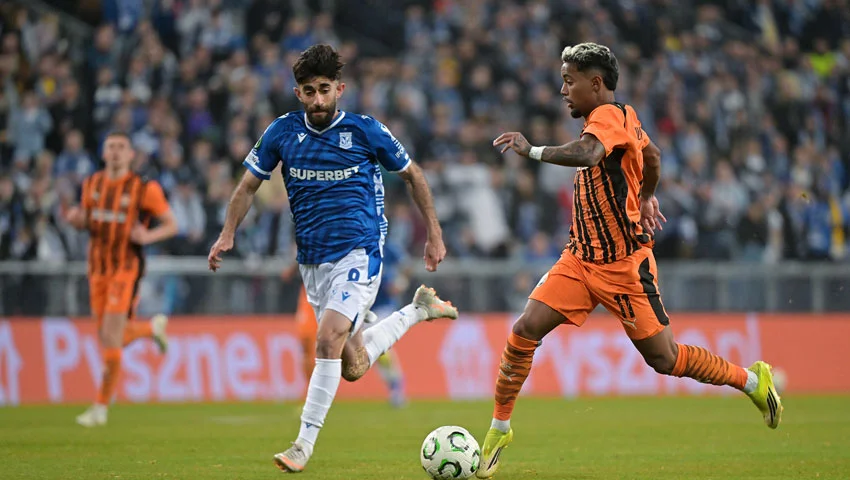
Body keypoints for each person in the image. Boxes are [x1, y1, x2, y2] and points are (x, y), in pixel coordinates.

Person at [477, 43, 783, 479]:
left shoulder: (607, 117)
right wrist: (647, 193)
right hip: (580, 259)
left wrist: (532, 151)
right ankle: (499, 428)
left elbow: (588, 154)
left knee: (665, 358)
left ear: (595, 83)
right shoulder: (624, 119)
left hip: (624, 267)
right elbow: (653, 156)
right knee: (525, 329)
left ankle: (752, 380)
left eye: (569, 81)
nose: (562, 90)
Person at [207, 44, 457, 473]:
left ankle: (302, 444)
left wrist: (434, 232)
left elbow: (413, 175)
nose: (318, 99)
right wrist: (227, 232)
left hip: (359, 251)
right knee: (353, 366)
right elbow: (248, 186)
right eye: (310, 91)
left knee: (326, 340)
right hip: (312, 261)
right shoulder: (281, 133)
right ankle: (418, 311)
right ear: (298, 93)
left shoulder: (365, 131)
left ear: (340, 89)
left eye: (325, 89)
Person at [64, 131, 177, 427]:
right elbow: (87, 220)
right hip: (96, 269)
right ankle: (150, 328)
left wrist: (147, 236)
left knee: (112, 336)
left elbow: (171, 224)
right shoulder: (92, 184)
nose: (115, 152)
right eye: (111, 147)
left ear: (130, 155)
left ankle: (100, 407)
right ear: (103, 153)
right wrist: (77, 219)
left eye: (121, 147)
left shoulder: (144, 188)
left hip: (126, 269)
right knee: (108, 337)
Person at [293, 241, 409, 409]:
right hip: (359, 305)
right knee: (360, 350)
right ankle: (392, 384)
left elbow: (406, 267)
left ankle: (396, 386)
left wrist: (401, 282)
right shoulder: (352, 245)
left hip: (382, 305)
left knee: (381, 349)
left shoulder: (388, 248)